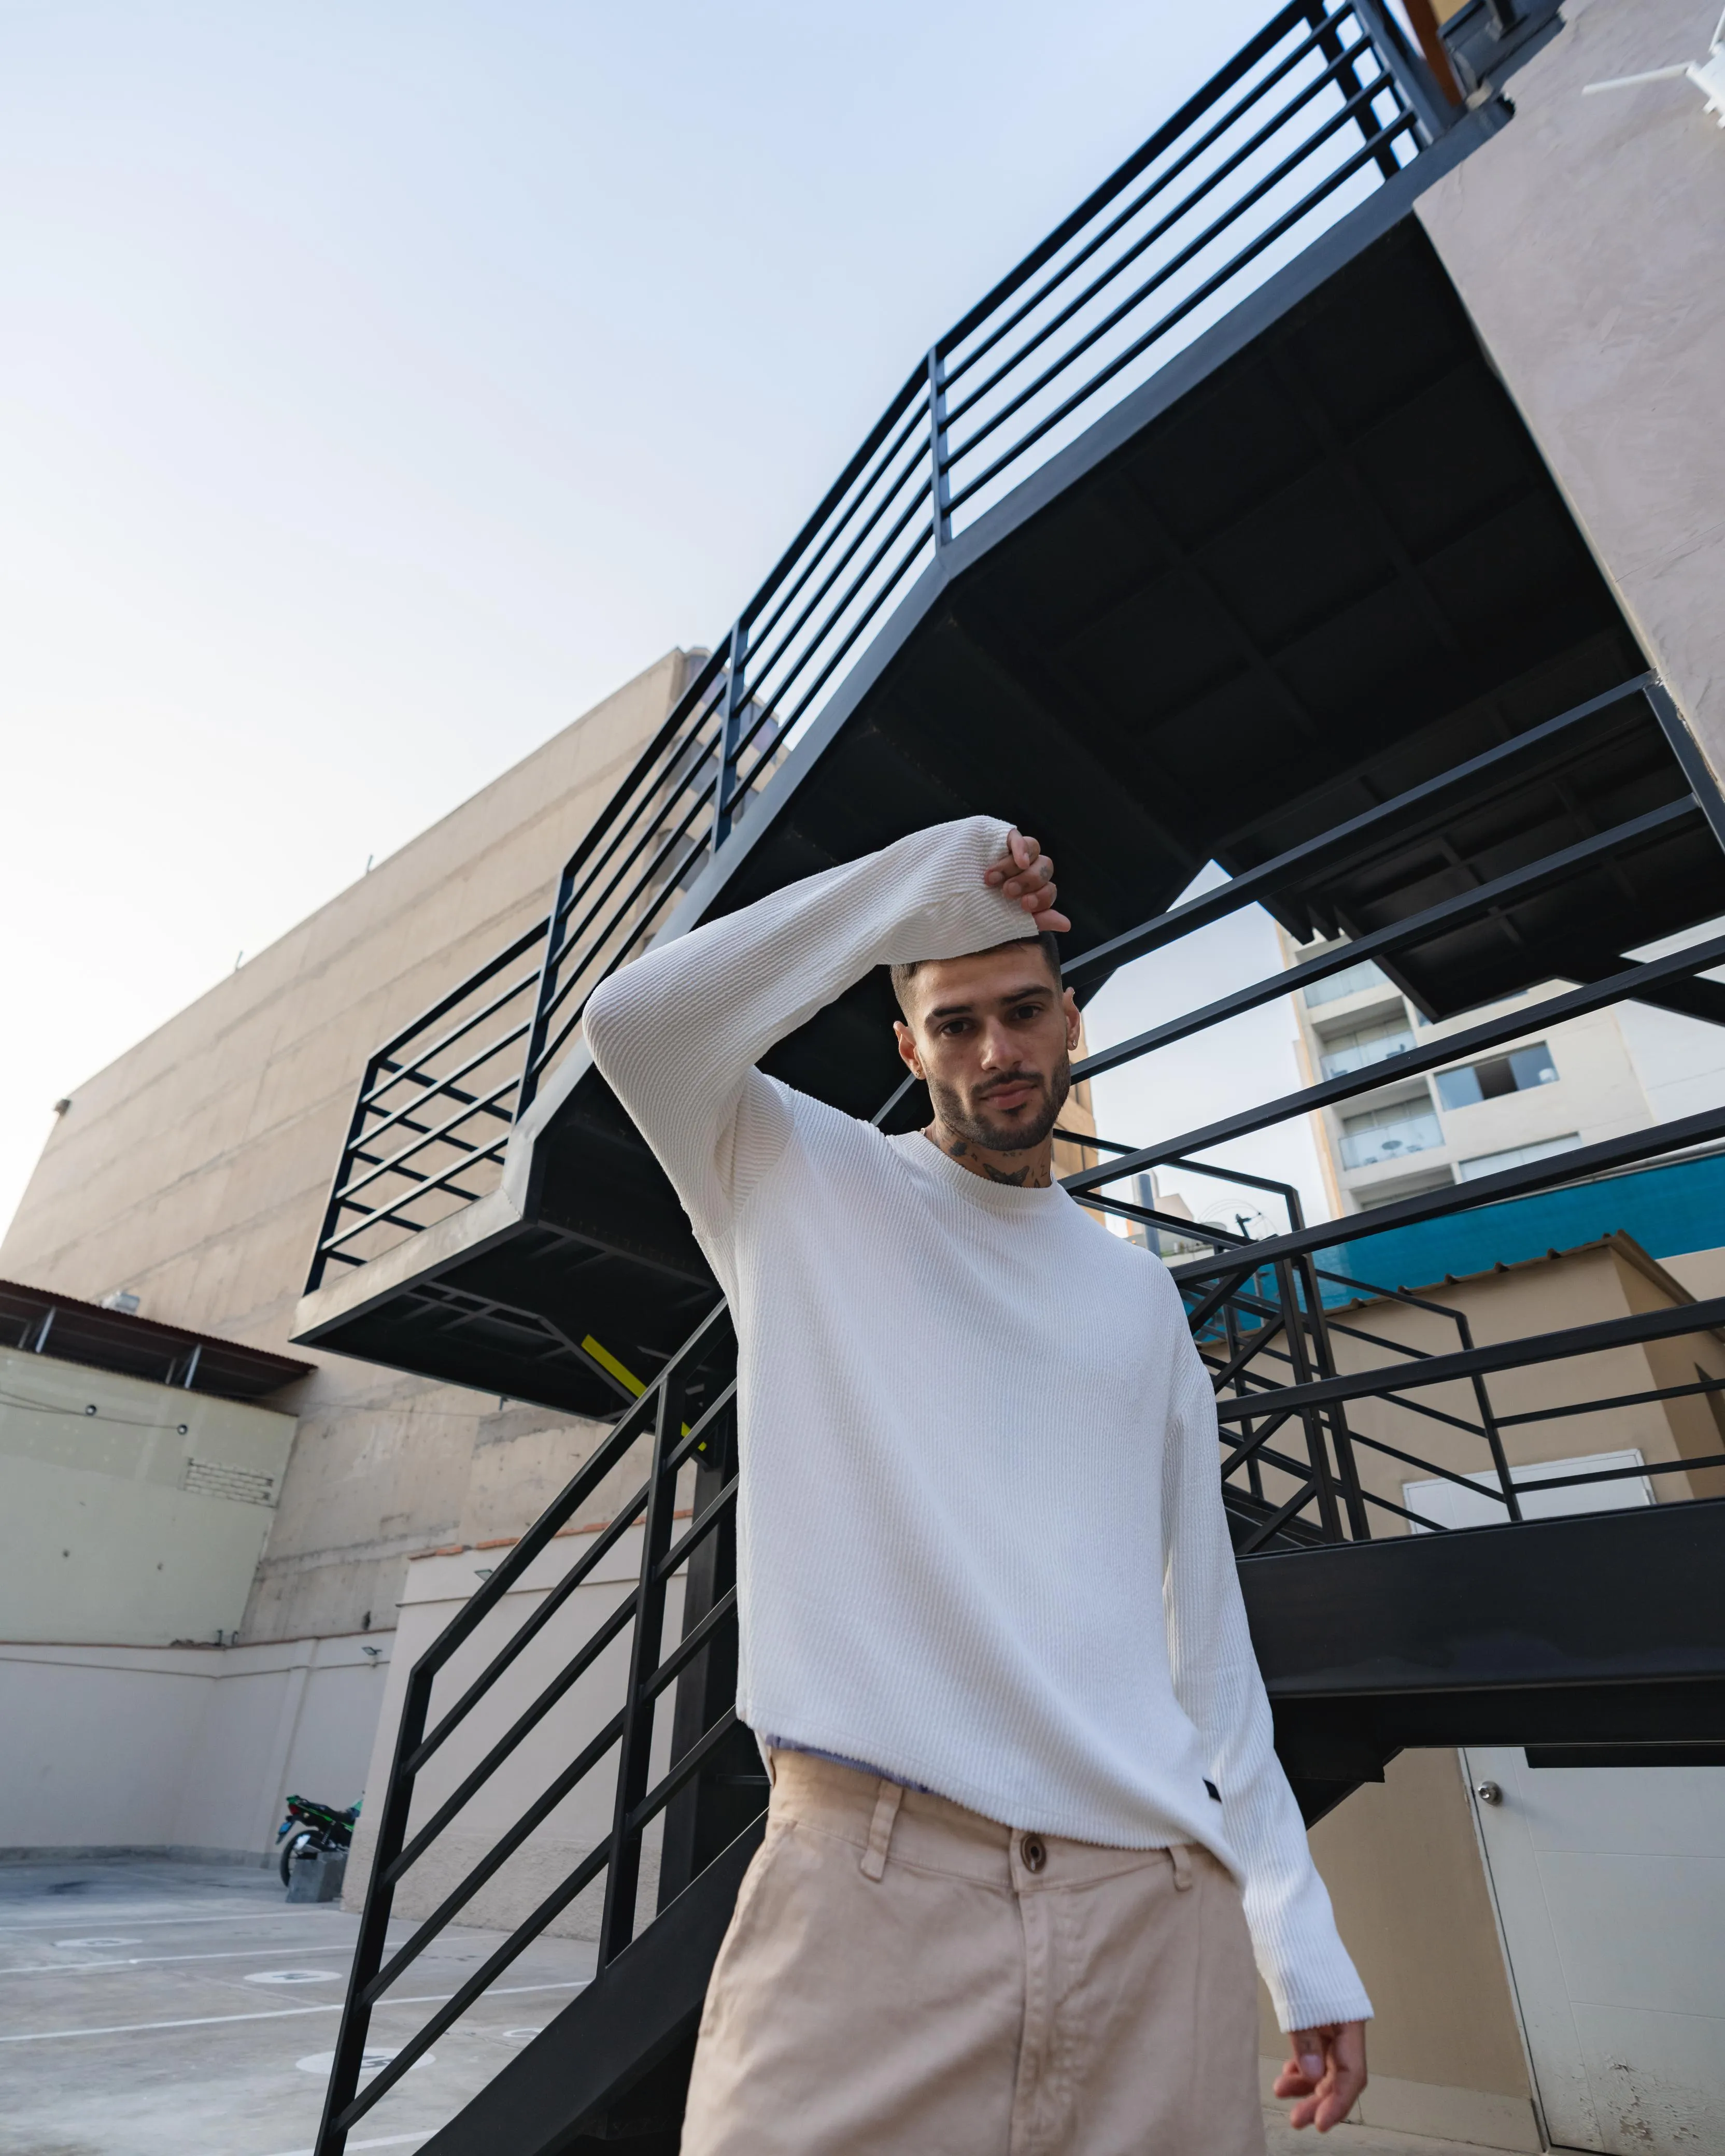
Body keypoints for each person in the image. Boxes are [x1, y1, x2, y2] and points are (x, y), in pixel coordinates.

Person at [584, 816, 1370, 2154]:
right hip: (875, 1886)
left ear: (1071, 1024)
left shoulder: (1136, 1297)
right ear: (907, 1047)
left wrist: (1297, 1931)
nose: (996, 1054)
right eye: (954, 1024)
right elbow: (636, 1022)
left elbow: (1210, 1647)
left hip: (1154, 1902)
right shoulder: (793, 1176)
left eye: (1023, 1014)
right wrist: (925, 882)